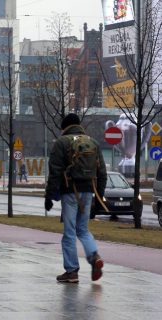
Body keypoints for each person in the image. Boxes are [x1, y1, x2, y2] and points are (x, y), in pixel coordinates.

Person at [44, 113, 107, 283]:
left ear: (64, 127)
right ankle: (94, 257)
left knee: (70, 232)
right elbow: (102, 172)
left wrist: (49, 196)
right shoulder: (92, 142)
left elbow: (55, 172)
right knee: (83, 230)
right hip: (88, 191)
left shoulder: (61, 143)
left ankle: (72, 271)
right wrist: (99, 196)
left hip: (70, 192)